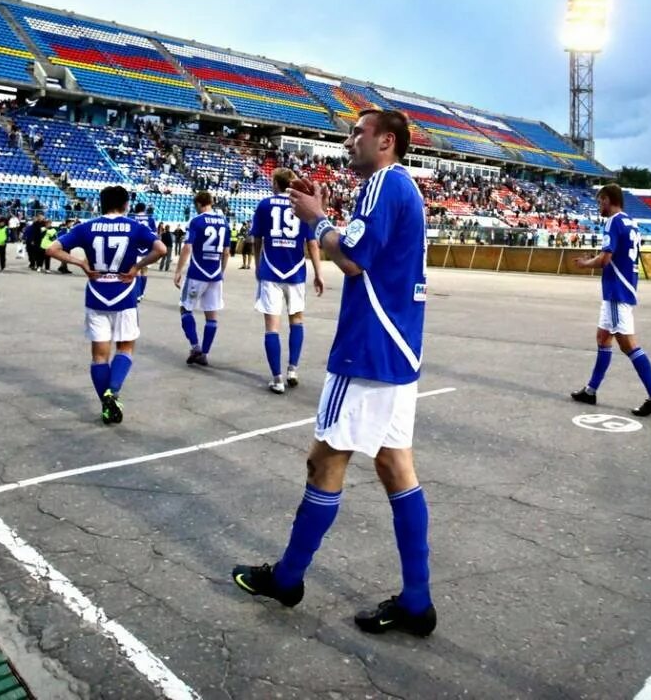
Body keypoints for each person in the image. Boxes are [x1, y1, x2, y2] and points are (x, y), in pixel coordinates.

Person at [231, 109, 436, 636]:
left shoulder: (382, 184)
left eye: (357, 133)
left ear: (386, 141)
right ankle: (417, 602)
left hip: (367, 349)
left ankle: (289, 578)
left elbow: (353, 258)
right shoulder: (402, 189)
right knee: (395, 468)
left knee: (323, 462)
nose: (348, 141)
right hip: (398, 350)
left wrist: (316, 219)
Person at [45, 186, 166, 425]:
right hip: (125, 294)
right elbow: (160, 249)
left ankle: (106, 404)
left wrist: (79, 262)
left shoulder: (86, 227)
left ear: (101, 204)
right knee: (125, 348)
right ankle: (113, 390)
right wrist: (136, 267)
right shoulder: (134, 227)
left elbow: (52, 249)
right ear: (125, 205)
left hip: (97, 295)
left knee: (99, 356)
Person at [569, 183, 651, 416]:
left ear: (609, 199)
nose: (599, 205)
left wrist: (585, 264)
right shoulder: (632, 222)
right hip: (625, 287)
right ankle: (590, 391)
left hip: (616, 291)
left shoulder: (612, 222)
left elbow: (605, 260)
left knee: (628, 345)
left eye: (600, 201)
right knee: (603, 338)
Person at [250, 167, 324, 393]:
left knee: (272, 326)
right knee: (297, 320)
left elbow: (257, 239)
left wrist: (257, 264)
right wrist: (318, 273)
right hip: (296, 271)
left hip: (271, 271)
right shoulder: (301, 207)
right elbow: (312, 243)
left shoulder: (264, 205)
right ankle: (292, 368)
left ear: (275, 184)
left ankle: (277, 378)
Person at [172, 190, 231, 366]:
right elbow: (226, 252)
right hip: (215, 275)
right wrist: (221, 271)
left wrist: (178, 270)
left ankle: (195, 345)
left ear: (199, 204)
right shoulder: (224, 222)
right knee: (211, 316)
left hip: (197, 273)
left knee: (185, 308)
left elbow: (187, 247)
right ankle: (205, 353)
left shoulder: (196, 221)